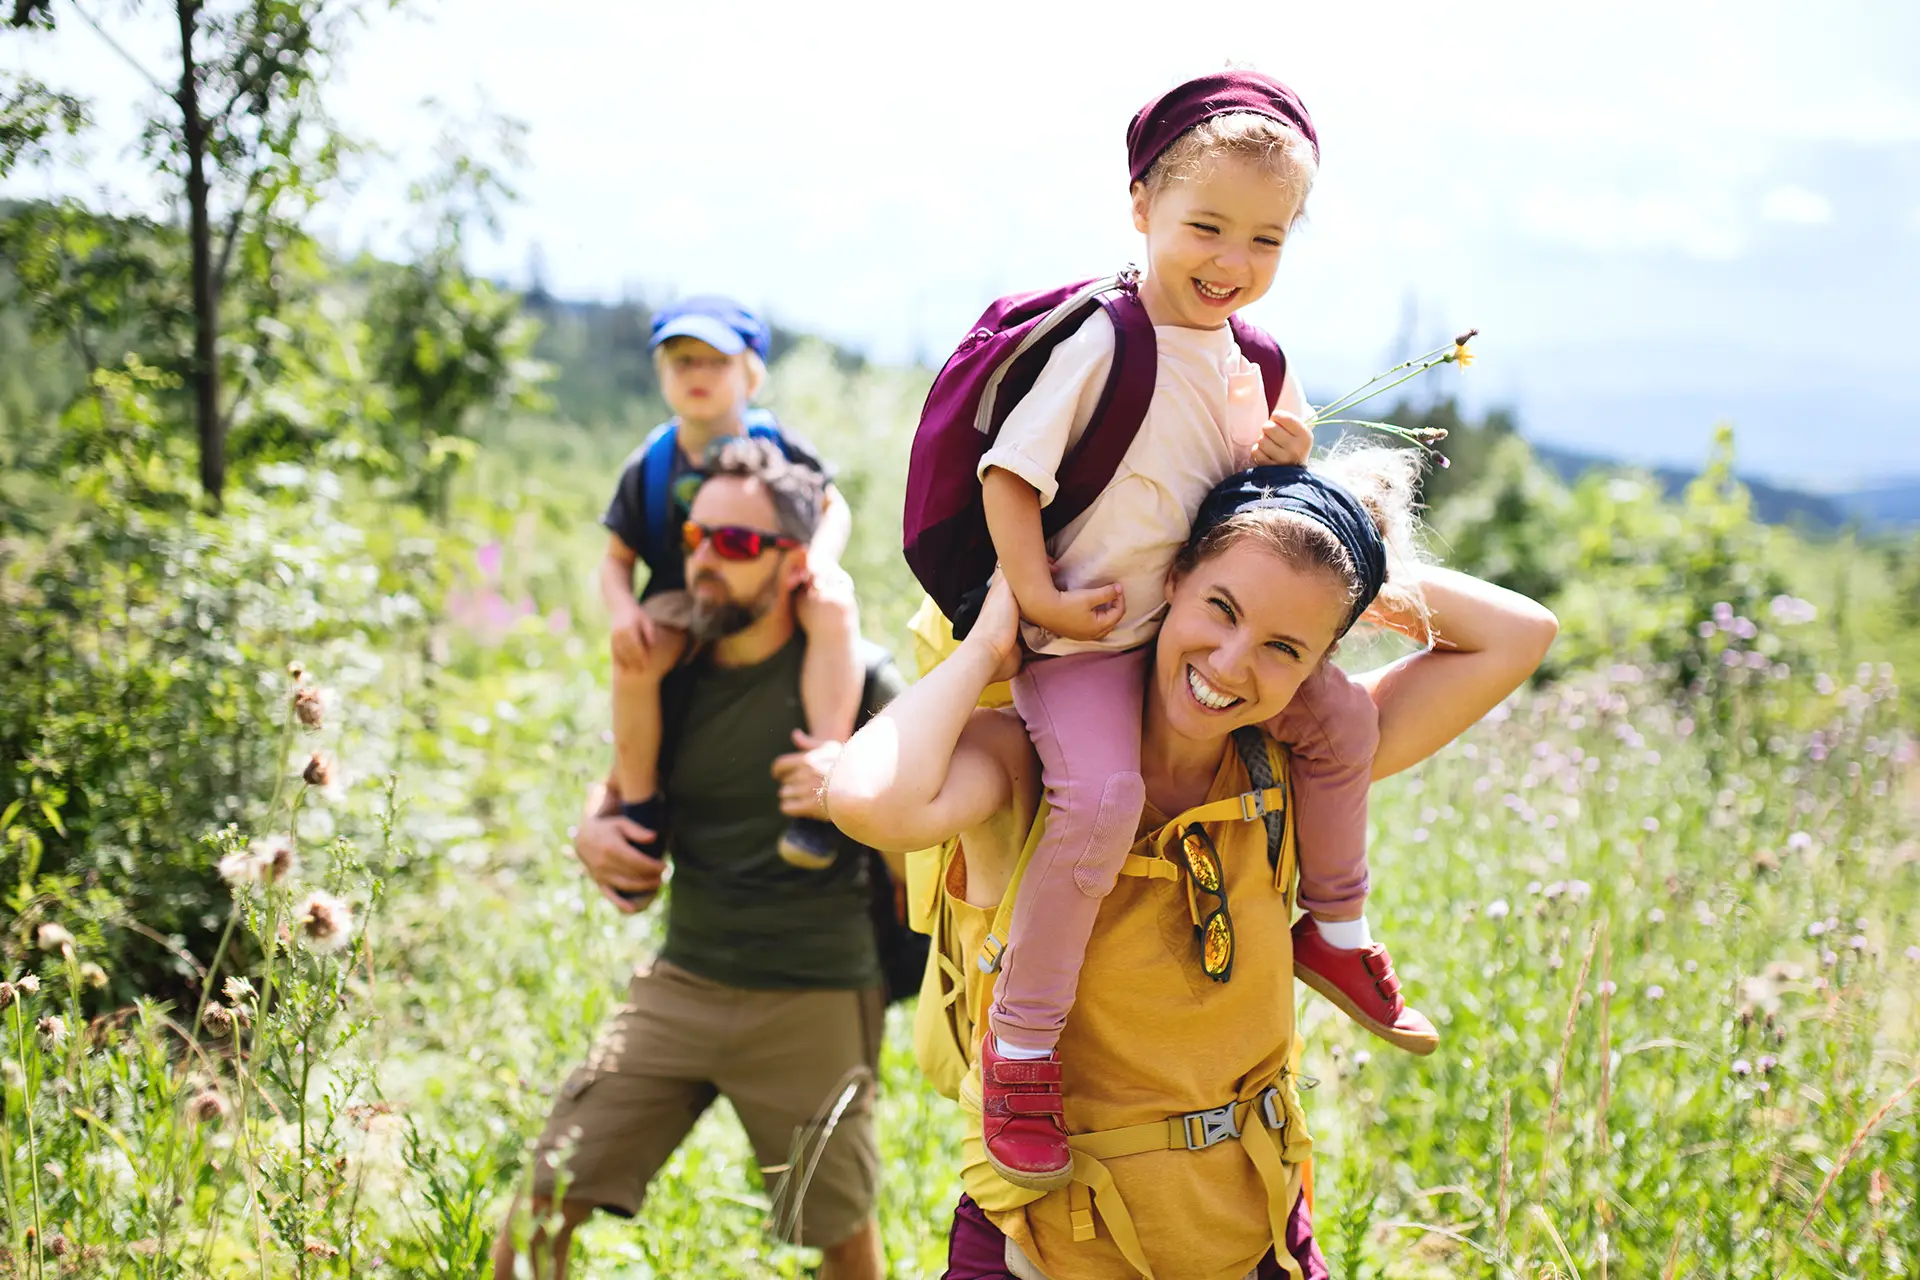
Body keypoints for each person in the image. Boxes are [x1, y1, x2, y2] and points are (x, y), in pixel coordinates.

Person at [829, 451, 1558, 1278]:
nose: (1232, 664)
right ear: (1169, 578)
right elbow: (865, 800)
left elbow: (1519, 633)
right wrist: (992, 641)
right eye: (1222, 605)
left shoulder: (1295, 765)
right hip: (1049, 1247)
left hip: (1254, 1233)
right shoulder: (1029, 762)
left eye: (1285, 646)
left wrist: (1323, 558)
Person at [964, 70, 1432, 1191]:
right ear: (1141, 208)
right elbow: (1009, 475)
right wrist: (1034, 597)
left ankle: (1336, 920)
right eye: (1206, 227)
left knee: (1337, 725)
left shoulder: (1253, 358)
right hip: (1087, 637)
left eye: (1265, 239)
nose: (1232, 260)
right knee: (1102, 798)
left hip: (1187, 625)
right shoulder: (1105, 338)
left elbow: (1252, 505)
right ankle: (1021, 1046)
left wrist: (1279, 455)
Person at [496, 438, 899, 1280]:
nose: (705, 560)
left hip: (815, 993)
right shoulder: (671, 667)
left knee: (831, 1231)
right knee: (541, 1205)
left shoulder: (862, 681)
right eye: (695, 537)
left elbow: (930, 848)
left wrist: (862, 796)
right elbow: (620, 789)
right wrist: (589, 829)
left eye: (738, 544)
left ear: (795, 564)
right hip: (683, 983)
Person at [598, 295, 863, 873]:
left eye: (715, 362)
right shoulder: (650, 463)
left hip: (773, 582)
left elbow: (832, 505)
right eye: (681, 361)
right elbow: (616, 559)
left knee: (833, 607)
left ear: (751, 374)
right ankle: (641, 807)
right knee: (635, 661)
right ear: (661, 373)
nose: (698, 376)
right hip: (681, 592)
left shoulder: (780, 445)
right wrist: (623, 612)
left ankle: (819, 779)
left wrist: (819, 558)